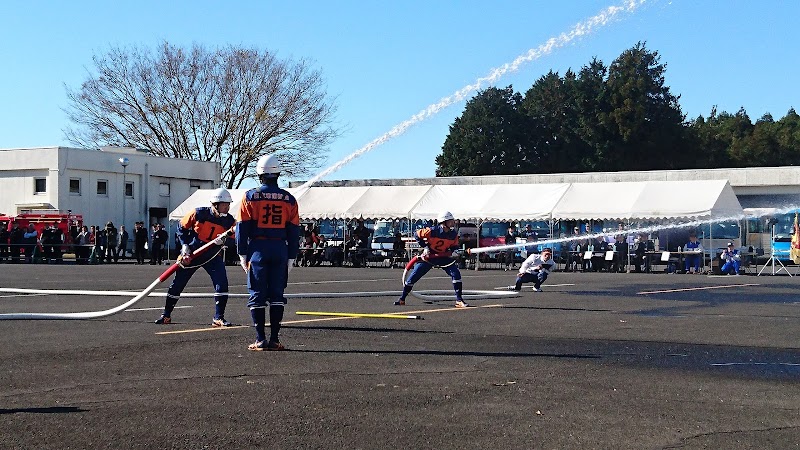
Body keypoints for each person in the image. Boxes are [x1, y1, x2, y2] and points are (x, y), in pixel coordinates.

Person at [236, 154, 300, 351]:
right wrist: (291, 256)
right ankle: (275, 338)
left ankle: (260, 339)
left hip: (258, 249)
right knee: (277, 295)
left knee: (257, 294)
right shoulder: (289, 199)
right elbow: (294, 230)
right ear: (278, 173)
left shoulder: (249, 196)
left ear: (259, 174)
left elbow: (242, 227)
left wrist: (242, 253)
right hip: (280, 248)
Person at [155, 188, 236, 327]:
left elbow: (235, 237)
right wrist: (184, 245)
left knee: (222, 283)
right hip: (192, 254)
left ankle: (219, 318)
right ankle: (166, 315)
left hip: (212, 255)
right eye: (224, 204)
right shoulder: (198, 213)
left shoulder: (229, 221)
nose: (227, 207)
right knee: (178, 283)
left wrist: (223, 241)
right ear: (215, 204)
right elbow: (182, 228)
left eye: (228, 204)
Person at [394, 211, 468, 308]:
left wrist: (455, 251)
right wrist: (425, 247)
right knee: (414, 275)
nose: (453, 222)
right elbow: (416, 234)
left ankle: (459, 300)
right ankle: (402, 299)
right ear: (444, 222)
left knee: (456, 274)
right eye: (450, 221)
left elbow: (454, 245)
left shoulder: (453, 234)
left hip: (443, 257)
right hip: (429, 257)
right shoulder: (432, 231)